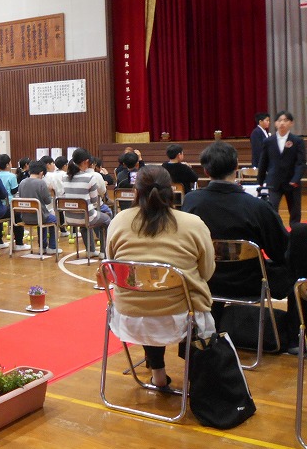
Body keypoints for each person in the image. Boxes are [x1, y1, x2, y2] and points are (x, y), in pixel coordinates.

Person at [183, 140, 305, 352]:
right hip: (250, 283)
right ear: (237, 166)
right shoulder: (257, 206)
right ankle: (295, 337)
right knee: (300, 265)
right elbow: (280, 251)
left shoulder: (191, 202)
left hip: (205, 280)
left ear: (206, 171)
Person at [106, 165, 215, 390]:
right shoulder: (193, 223)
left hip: (130, 316)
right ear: (171, 190)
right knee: (186, 297)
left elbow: (112, 266)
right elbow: (206, 272)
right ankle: (197, 377)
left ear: (136, 191)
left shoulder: (118, 221)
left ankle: (158, 375)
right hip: (181, 318)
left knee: (149, 297)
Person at [257, 110, 305, 226]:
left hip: (292, 183)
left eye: (285, 120)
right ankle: (276, 232)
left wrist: (295, 179)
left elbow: (301, 163)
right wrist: (260, 181)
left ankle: (294, 234)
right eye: (279, 120)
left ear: (291, 123)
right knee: (272, 210)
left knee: (295, 213)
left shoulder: (297, 141)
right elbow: (263, 162)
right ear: (275, 123)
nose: (282, 123)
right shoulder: (268, 141)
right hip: (274, 182)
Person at [62, 148, 111, 257]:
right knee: (107, 219)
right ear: (86, 162)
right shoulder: (89, 178)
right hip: (86, 216)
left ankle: (90, 250)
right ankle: (104, 252)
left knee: (84, 217)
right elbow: (94, 201)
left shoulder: (64, 177)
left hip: (69, 218)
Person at [17, 160, 59, 254]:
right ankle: (52, 247)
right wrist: (49, 191)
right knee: (55, 220)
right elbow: (48, 201)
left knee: (43, 219)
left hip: (25, 217)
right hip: (40, 217)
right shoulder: (41, 183)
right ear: (41, 173)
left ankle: (42, 246)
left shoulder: (22, 182)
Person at [0, 153, 30, 251]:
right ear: (7, 165)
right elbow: (14, 191)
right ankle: (19, 243)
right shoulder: (11, 176)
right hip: (9, 204)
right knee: (17, 216)